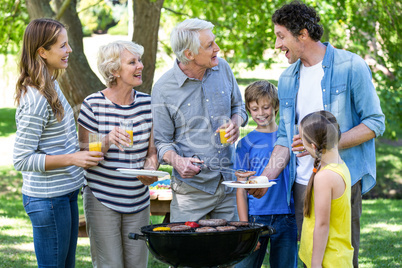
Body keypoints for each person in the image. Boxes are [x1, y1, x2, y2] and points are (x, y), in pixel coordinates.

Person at [247, 2, 385, 267]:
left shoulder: (351, 66)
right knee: (310, 257)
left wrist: (323, 145)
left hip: (340, 183)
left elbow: (375, 123)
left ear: (302, 34)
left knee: (341, 257)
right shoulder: (287, 79)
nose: (277, 45)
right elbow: (285, 138)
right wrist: (265, 177)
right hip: (302, 184)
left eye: (281, 36)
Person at [13, 18, 102, 267]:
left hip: (64, 193)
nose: (69, 50)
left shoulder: (51, 84)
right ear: (42, 51)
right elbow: (21, 159)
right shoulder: (36, 99)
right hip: (48, 199)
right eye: (63, 46)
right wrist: (73, 159)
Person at [152, 18, 248, 222]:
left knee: (231, 251)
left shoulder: (222, 68)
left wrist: (236, 122)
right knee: (190, 252)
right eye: (209, 45)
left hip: (228, 184)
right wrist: (177, 161)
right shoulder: (163, 89)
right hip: (192, 192)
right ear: (189, 54)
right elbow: (161, 143)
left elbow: (239, 108)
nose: (217, 48)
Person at [77, 40, 158, 268]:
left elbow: (152, 151)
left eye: (139, 60)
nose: (140, 66)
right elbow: (85, 157)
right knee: (109, 264)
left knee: (137, 264)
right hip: (102, 198)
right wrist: (108, 139)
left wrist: (151, 168)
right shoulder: (93, 104)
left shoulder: (147, 104)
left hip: (138, 200)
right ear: (114, 70)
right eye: (132, 62)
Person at [234, 81, 297, 268]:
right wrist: (245, 228)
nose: (260, 113)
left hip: (287, 216)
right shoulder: (245, 144)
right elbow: (240, 189)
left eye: (265, 107)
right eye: (254, 109)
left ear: (276, 106)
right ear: (248, 110)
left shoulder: (290, 140)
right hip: (255, 218)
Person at [298, 110, 354, 267]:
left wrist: (316, 263)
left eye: (302, 139)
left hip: (328, 260)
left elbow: (322, 224)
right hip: (336, 255)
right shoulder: (340, 166)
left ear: (313, 146)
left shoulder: (325, 177)